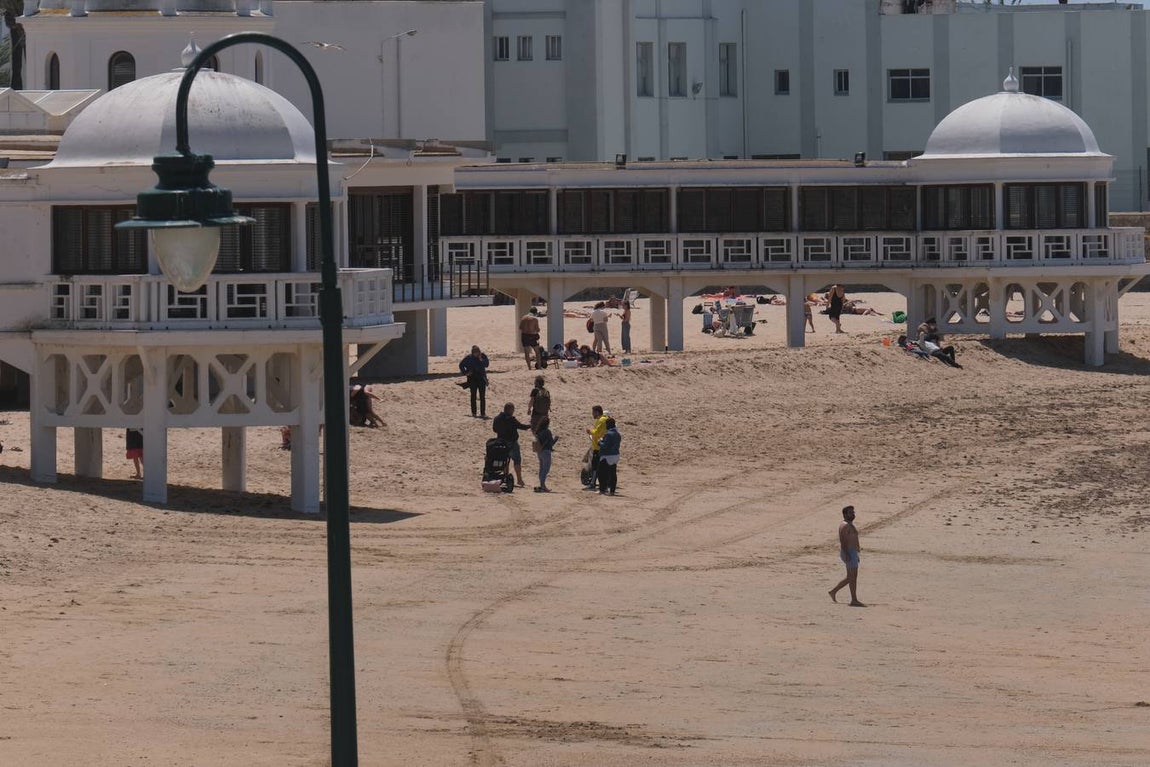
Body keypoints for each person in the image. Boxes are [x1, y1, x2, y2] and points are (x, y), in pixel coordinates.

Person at [829, 505, 864, 606]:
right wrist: (847, 554)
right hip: (848, 552)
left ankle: (833, 591)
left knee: (850, 577)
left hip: (852, 552)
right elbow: (843, 541)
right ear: (845, 514)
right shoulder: (845, 525)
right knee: (852, 577)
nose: (853, 514)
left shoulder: (849, 524)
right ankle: (854, 599)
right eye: (850, 513)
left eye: (853, 512)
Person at [492, 402, 531, 487]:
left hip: (501, 442)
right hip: (512, 443)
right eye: (513, 409)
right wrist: (530, 426)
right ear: (510, 410)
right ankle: (519, 480)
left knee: (505, 460)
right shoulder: (511, 419)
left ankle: (506, 477)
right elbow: (521, 426)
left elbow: (494, 429)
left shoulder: (497, 418)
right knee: (517, 460)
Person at [459, 345, 490, 418]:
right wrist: (466, 372)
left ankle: (483, 413)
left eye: (478, 352)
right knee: (473, 396)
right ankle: (474, 413)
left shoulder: (482, 356)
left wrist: (481, 360)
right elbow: (461, 365)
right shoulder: (469, 358)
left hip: (482, 378)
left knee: (482, 396)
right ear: (472, 353)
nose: (477, 354)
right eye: (475, 353)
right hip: (472, 379)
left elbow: (487, 364)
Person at [585, 405, 609, 489]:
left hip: (598, 447)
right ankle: (600, 483)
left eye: (593, 412)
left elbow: (597, 432)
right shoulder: (604, 419)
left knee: (596, 467)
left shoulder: (601, 420)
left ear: (597, 412)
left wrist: (590, 431)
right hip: (602, 446)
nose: (592, 414)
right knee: (600, 466)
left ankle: (593, 483)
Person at [596, 417, 621, 495]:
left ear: (608, 425)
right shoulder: (618, 434)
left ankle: (602, 490)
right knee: (613, 473)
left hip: (607, 456)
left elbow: (605, 446)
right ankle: (612, 491)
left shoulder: (608, 434)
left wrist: (599, 442)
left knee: (602, 473)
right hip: (615, 455)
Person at [532, 416, 558, 492]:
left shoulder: (538, 431)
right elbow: (551, 443)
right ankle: (542, 485)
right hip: (546, 452)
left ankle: (541, 484)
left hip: (539, 451)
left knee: (541, 468)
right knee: (546, 469)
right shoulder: (547, 432)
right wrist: (555, 439)